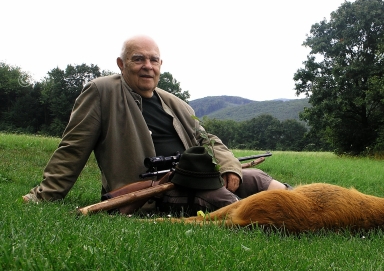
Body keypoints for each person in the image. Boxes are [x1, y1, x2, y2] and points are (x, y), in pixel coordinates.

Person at [24, 35, 288, 214]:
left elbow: (208, 140)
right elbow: (72, 147)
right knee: (222, 198)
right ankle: (286, 217)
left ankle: (305, 203)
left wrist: (231, 167)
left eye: (153, 60)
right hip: (152, 192)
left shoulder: (177, 103)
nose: (147, 66)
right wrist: (44, 195)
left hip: (193, 177)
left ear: (161, 65)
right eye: (138, 59)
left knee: (258, 179)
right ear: (121, 64)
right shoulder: (101, 92)